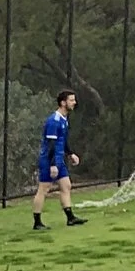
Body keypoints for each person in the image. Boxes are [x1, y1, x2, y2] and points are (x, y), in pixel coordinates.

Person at [33, 91, 84, 230]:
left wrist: (70, 153)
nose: (74, 103)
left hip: (59, 159)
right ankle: (37, 222)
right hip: (49, 160)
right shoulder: (53, 121)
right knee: (44, 189)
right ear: (63, 102)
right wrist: (52, 165)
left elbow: (62, 140)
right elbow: (51, 144)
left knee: (66, 185)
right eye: (71, 100)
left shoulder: (63, 119)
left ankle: (70, 218)